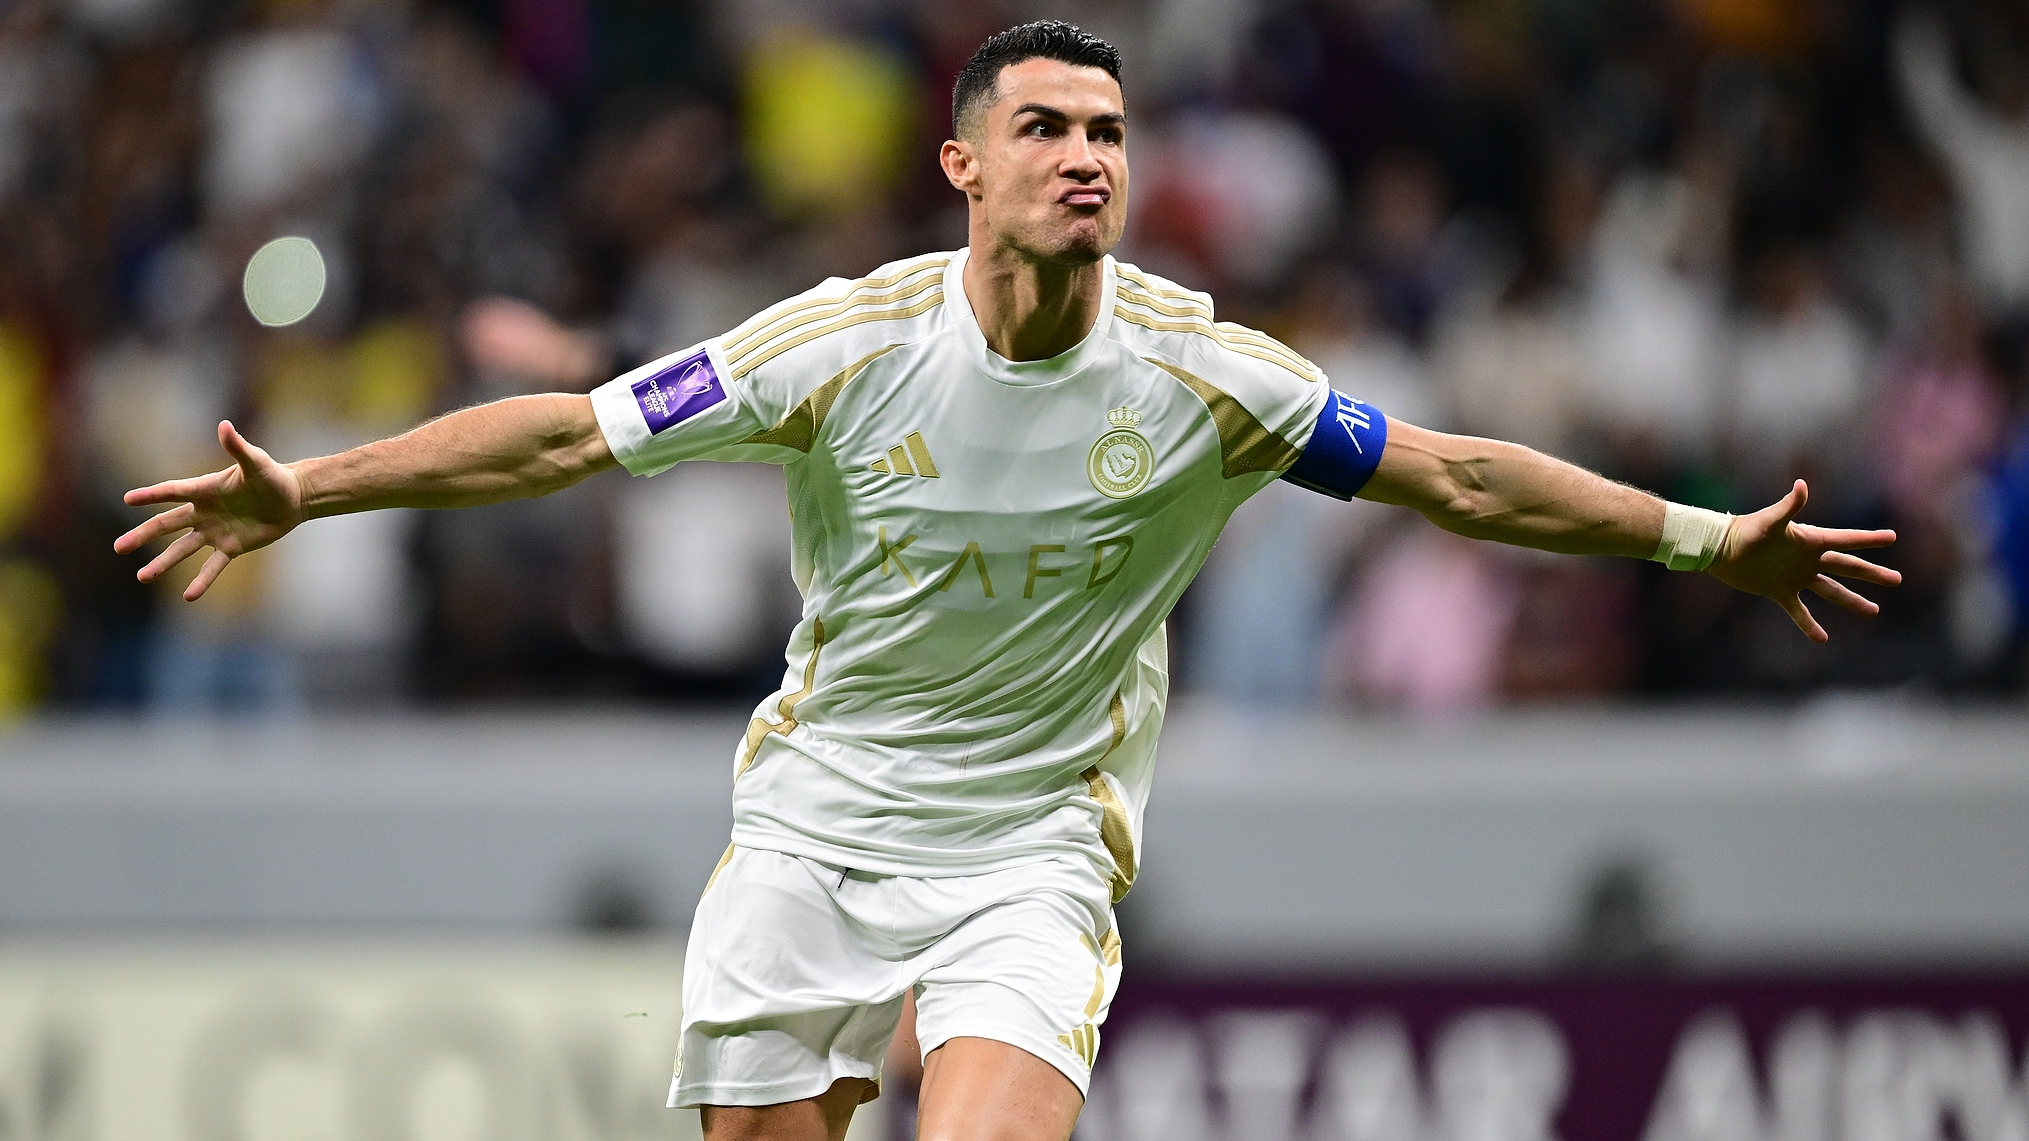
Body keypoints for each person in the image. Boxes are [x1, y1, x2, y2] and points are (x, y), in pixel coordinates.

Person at [116, 22, 1899, 1141]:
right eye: (1044, 128)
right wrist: (313, 495)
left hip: (1032, 849)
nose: (1086, 158)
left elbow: (1452, 473)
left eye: (1109, 131)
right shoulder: (839, 344)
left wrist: (1697, 537)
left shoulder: (1209, 375)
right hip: (817, 825)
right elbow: (570, 437)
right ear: (963, 165)